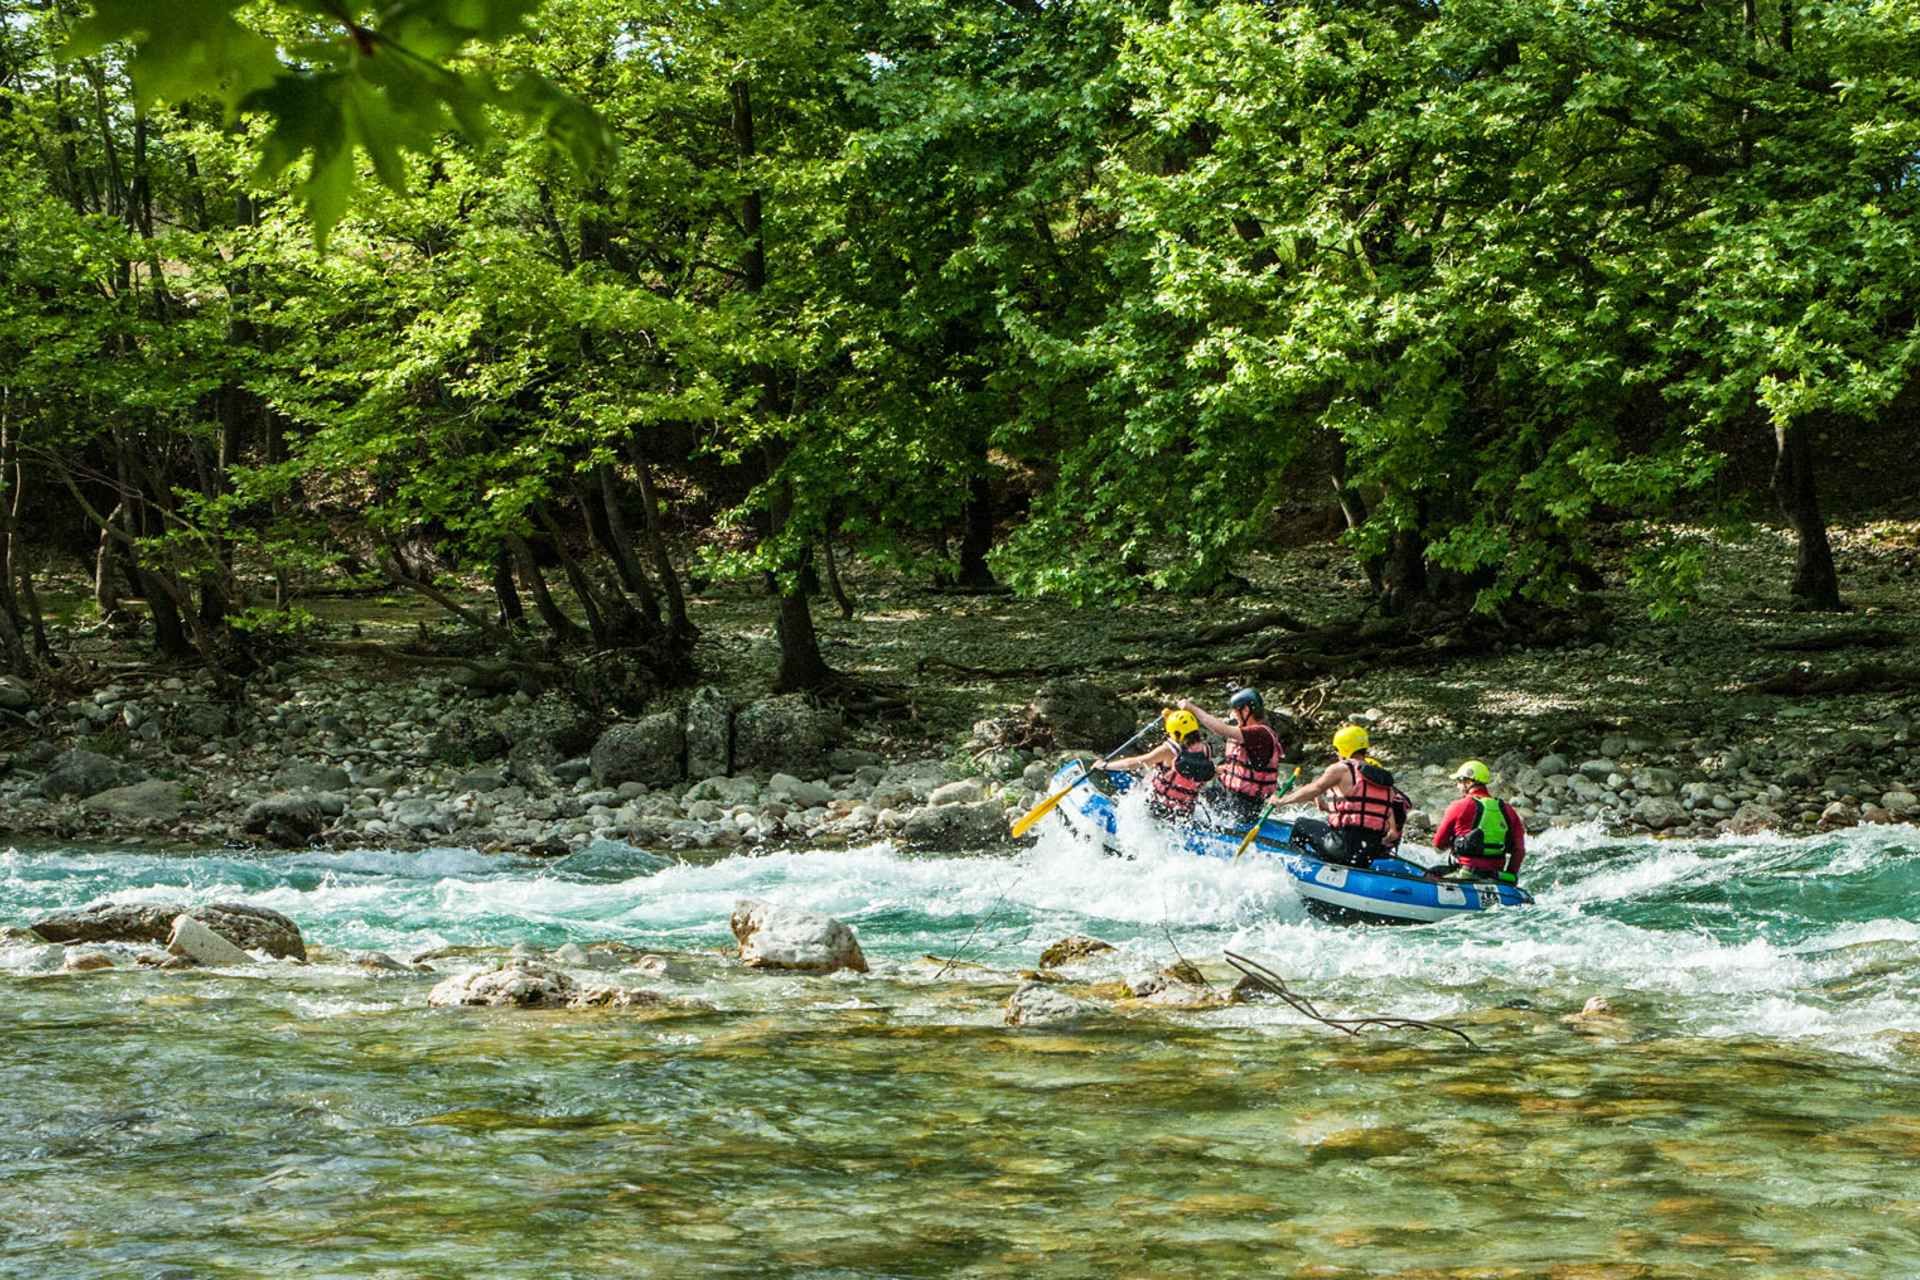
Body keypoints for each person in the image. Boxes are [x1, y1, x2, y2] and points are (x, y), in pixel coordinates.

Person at [1269, 724, 1401, 866]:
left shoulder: (1342, 769)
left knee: (1301, 825)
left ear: (1344, 749)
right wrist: (1325, 806)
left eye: (1337, 749)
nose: (1337, 754)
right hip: (1369, 853)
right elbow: (1365, 811)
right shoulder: (1384, 780)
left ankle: (1301, 867)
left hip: (1343, 849)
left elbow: (1315, 788)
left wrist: (1281, 801)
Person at [1178, 688, 1285, 828]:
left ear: (1246, 710)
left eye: (1236, 710)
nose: (1233, 715)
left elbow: (1221, 729)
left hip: (1244, 805)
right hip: (1228, 795)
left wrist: (1193, 709)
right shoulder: (1251, 734)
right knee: (1194, 793)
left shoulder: (1260, 733)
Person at [1096, 709, 1215, 823]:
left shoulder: (1169, 750)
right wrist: (1171, 717)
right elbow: (1184, 730)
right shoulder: (1207, 749)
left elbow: (1135, 762)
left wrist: (1105, 765)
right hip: (1184, 811)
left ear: (1175, 732)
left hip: (1157, 807)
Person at [1430, 760, 1526, 884]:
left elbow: (1438, 843)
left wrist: (1454, 843)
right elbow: (1519, 850)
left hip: (1467, 873)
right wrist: (1510, 874)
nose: (1457, 785)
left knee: (1430, 874)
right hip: (1497, 876)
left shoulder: (1459, 806)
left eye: (1459, 781)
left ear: (1468, 782)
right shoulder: (1508, 810)